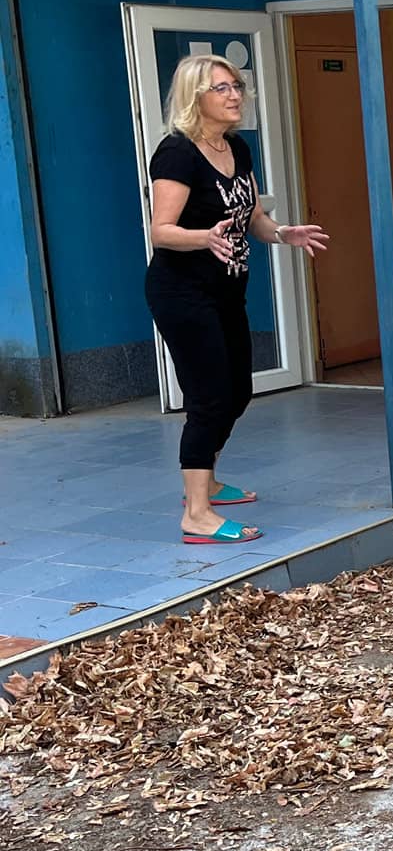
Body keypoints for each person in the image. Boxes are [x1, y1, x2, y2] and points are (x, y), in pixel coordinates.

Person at [145, 54, 328, 545]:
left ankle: (206, 479)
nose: (234, 96)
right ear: (194, 98)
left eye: (236, 86)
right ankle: (196, 514)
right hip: (182, 292)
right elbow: (161, 232)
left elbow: (251, 217)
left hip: (226, 289)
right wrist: (204, 237)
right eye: (220, 88)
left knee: (238, 391)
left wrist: (282, 232)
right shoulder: (177, 154)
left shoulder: (237, 148)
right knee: (208, 397)